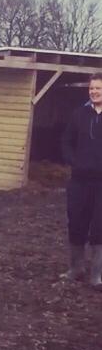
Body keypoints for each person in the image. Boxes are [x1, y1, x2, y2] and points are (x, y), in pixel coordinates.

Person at [61, 72, 102, 288]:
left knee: (99, 226)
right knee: (76, 221)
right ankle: (76, 268)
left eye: (98, 88)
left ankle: (96, 275)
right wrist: (74, 161)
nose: (94, 91)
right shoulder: (79, 114)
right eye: (92, 88)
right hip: (79, 180)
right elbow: (66, 142)